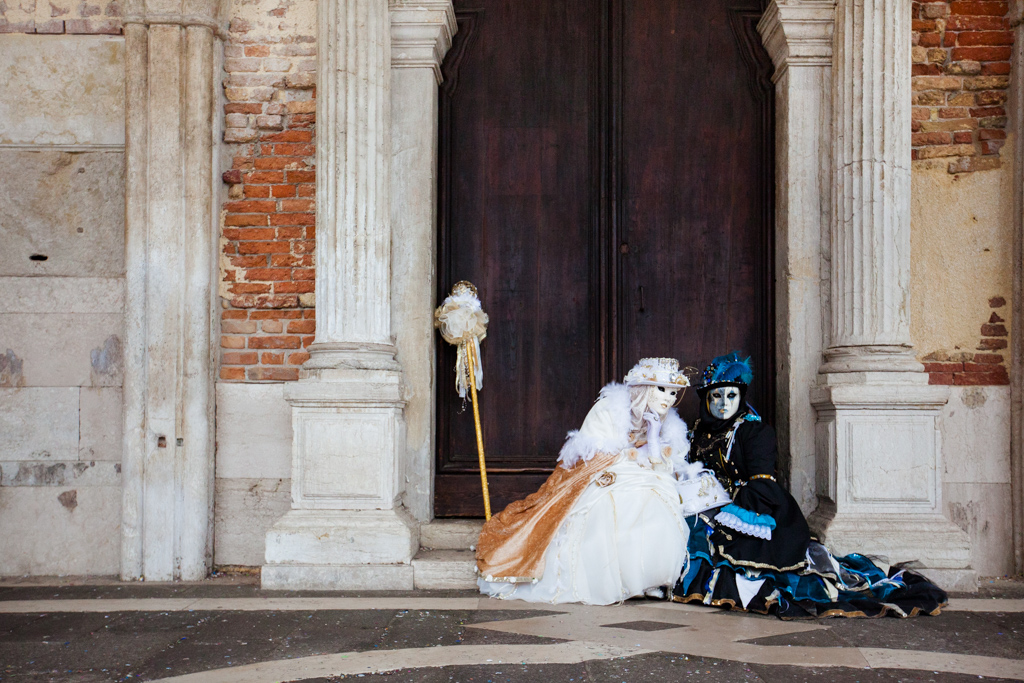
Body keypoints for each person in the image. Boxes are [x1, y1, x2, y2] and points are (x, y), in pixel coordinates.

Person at [673, 352, 949, 619]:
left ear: (741, 396)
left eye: (731, 395)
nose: (723, 404)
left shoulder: (753, 432)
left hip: (753, 506)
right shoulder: (697, 432)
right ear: (706, 400)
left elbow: (760, 481)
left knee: (740, 556)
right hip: (706, 504)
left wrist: (733, 512)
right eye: (716, 396)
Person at [477, 358, 692, 605]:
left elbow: (667, 467)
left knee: (659, 503)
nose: (668, 398)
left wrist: (653, 439)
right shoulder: (610, 410)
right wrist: (631, 458)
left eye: (674, 392)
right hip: (607, 477)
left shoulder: (669, 423)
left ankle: (649, 579)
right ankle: (621, 581)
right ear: (642, 389)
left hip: (650, 480)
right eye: (661, 390)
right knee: (610, 507)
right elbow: (592, 454)